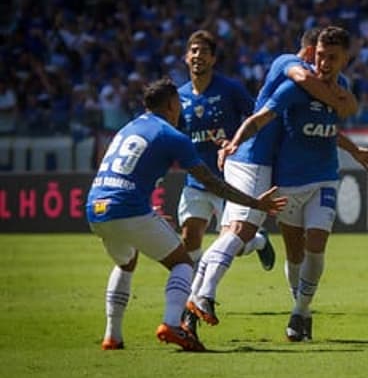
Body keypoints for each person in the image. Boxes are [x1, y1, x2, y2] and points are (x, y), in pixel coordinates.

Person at [85, 77, 286, 352]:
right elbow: (211, 182)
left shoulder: (127, 128)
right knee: (183, 264)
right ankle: (172, 324)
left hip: (96, 208)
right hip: (128, 208)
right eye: (178, 103)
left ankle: (113, 336)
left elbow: (124, 172)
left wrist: (146, 212)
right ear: (171, 104)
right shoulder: (172, 135)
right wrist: (255, 203)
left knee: (126, 262)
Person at [182, 27, 362, 330]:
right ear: (307, 52)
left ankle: (195, 302)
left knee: (237, 234)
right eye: (316, 56)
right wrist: (236, 143)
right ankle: (203, 295)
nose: (319, 64)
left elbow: (332, 120)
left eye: (330, 57)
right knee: (240, 230)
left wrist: (351, 130)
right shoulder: (289, 67)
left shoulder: (329, 83)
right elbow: (265, 113)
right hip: (253, 160)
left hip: (270, 166)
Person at [176, 30, 275, 272]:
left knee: (235, 246)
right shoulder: (179, 96)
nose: (198, 55)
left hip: (229, 179)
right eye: (194, 50)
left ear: (213, 59)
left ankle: (259, 241)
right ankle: (196, 294)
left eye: (204, 52)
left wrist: (240, 145)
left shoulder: (230, 89)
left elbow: (257, 119)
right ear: (186, 57)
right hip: (196, 180)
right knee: (189, 240)